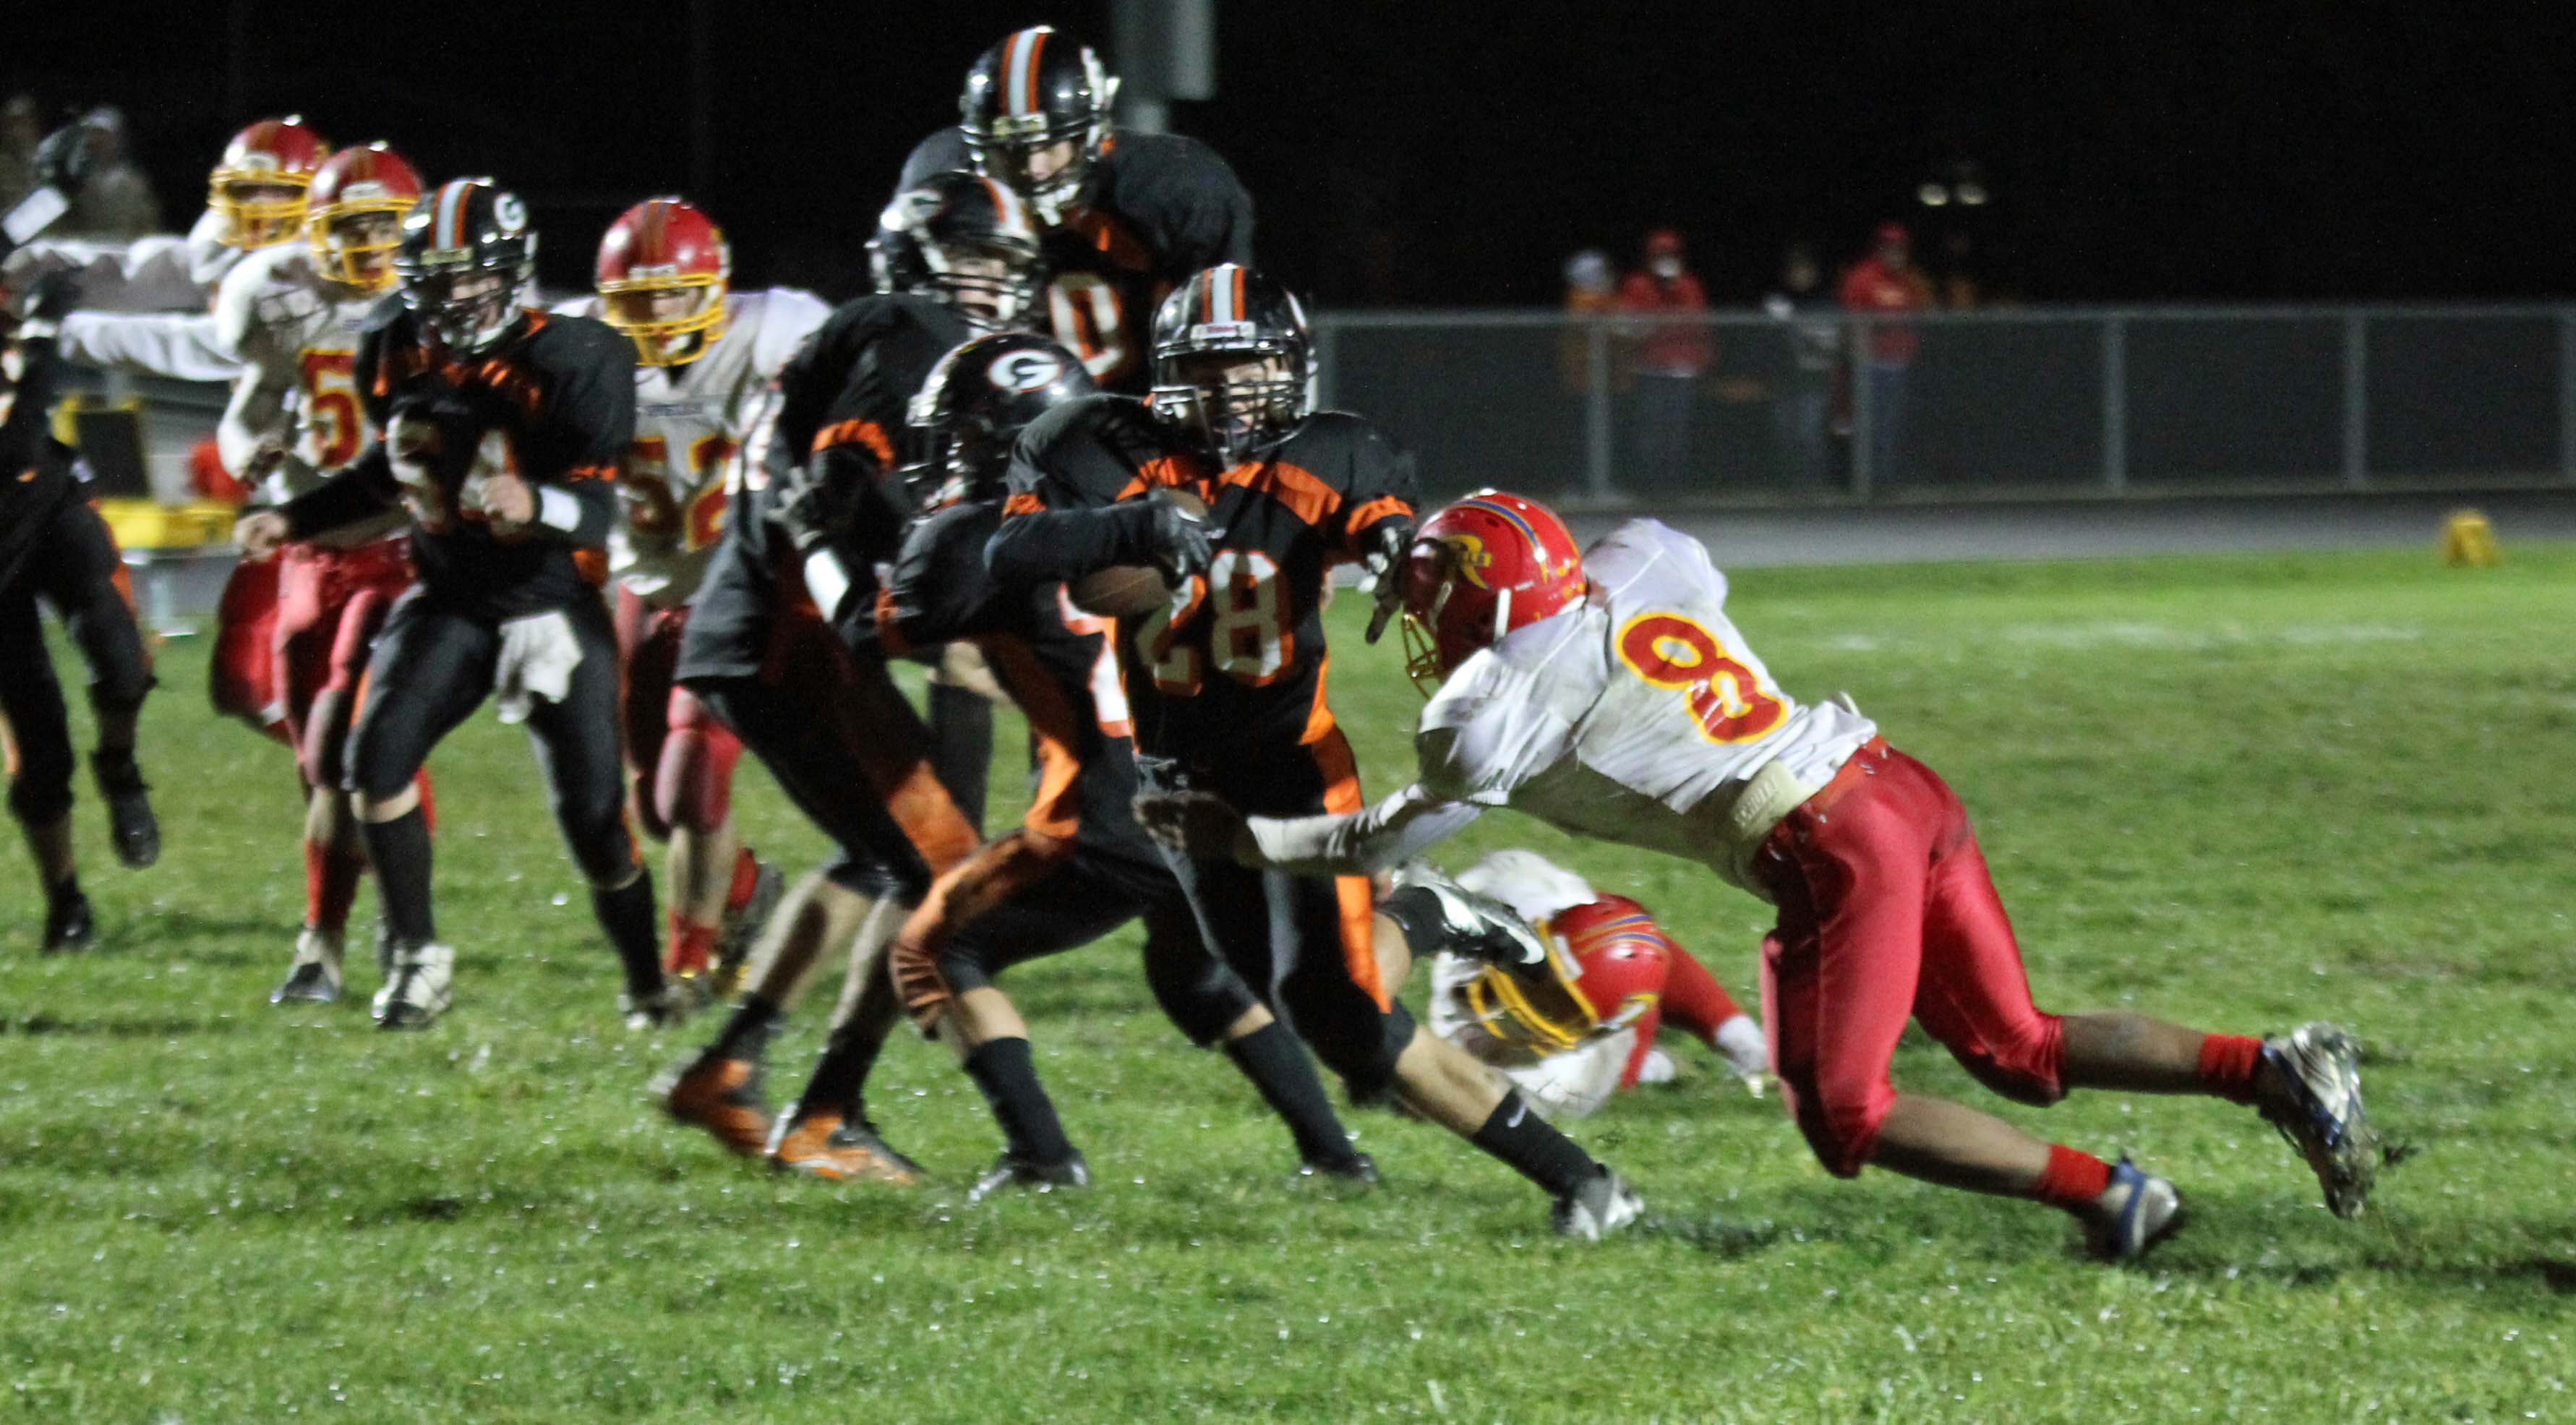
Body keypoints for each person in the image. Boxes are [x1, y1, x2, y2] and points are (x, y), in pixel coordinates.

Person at [1138, 490, 2385, 1260]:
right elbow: (1659, 565)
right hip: (1894, 782)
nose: (1423, 628)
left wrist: (1242, 839)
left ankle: (2112, 1199)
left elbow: (1377, 840)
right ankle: (2268, 1066)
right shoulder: (1639, 563)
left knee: (1844, 1115)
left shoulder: (1485, 708)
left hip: (1825, 847)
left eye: (1432, 607)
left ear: (1477, 614)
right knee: (2014, 1045)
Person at [986, 263, 1643, 1238]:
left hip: (1288, 765)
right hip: (1175, 771)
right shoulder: (1103, 447)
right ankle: (1422, 914)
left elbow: (1390, 528)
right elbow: (1007, 552)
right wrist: (1133, 526)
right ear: (1164, 373)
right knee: (1286, 997)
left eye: (1248, 367)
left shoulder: (1328, 453)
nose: (1228, 390)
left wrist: (1395, 554)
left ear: (1287, 369)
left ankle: (1585, 1182)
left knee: (1347, 1019)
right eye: (1205, 369)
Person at [784, 330, 1368, 1194]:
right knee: (1195, 973)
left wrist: (813, 543)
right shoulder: (1165, 497)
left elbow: (866, 627)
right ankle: (1336, 1156)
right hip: (1211, 785)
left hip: (1104, 811)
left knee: (932, 952)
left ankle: (1041, 1156)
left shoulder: (983, 535)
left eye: (962, 439)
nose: (949, 457)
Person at [652, 174, 1034, 1173]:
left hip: (785, 635)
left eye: (1002, 262)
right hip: (792, 639)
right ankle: (829, 1107)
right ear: (915, 259)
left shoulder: (888, 334)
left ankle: (743, 1070)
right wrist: (940, 603)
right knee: (943, 875)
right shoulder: (912, 331)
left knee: (895, 861)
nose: (991, 281)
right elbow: (845, 476)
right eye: (972, 257)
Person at [234, 179, 675, 1031]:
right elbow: (390, 471)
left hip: (550, 605)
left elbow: (601, 511)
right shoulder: (396, 343)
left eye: (468, 277)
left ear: (510, 273)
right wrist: (291, 519)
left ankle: (647, 982)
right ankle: (417, 959)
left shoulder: (575, 357)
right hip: (451, 597)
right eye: (434, 280)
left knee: (595, 823)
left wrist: (536, 503)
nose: (451, 297)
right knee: (373, 764)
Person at [568, 196, 829, 994]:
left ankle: (688, 967)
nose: (659, 315)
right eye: (640, 299)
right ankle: (746, 892)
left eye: (677, 293)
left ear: (714, 285)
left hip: (739, 586)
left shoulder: (774, 327)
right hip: (647, 585)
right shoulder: (580, 342)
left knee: (691, 777)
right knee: (654, 807)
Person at [213, 142, 439, 1004]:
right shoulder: (280, 296)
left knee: (358, 743)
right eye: (354, 226)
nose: (373, 244)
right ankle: (341, 933)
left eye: (387, 226)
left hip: (399, 553)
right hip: (309, 558)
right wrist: (251, 451)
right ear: (317, 229)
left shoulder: (435, 307)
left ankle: (355, 941)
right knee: (319, 763)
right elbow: (247, 410)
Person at [899, 25, 1252, 393]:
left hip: (1138, 409)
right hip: (993, 408)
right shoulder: (943, 180)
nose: (1032, 167)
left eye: (1051, 145)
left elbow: (1223, 332)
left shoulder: (1170, 190)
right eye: (1010, 149)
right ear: (979, 147)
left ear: (1091, 136)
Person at [0, 273, 159, 950]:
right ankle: (66, 900)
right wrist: (42, 347)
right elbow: (13, 441)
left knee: (122, 661)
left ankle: (119, 766)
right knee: (40, 742)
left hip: (50, 508)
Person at [1427, 848, 1767, 1119]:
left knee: (1624, 1037)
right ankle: (1737, 1035)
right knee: (1613, 938)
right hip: (1559, 931)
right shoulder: (1509, 889)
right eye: (1539, 977)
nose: (1526, 1001)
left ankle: (1655, 1062)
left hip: (1601, 1044)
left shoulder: (1564, 1082)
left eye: (1555, 1006)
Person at [1617, 229, 1712, 492]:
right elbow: (1632, 325)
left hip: (1682, 369)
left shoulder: (1689, 285)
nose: (1665, 260)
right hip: (1649, 368)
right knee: (1650, 428)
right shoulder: (1638, 285)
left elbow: (1696, 323)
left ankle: (1674, 486)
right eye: (1660, 255)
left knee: (1677, 430)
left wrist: (1674, 290)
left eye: (1670, 254)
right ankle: (1649, 485)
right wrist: (1662, 303)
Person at [1838, 222, 1930, 487]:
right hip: (1869, 365)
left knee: (1892, 424)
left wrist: (1910, 352)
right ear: (1879, 250)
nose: (1895, 254)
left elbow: (1919, 318)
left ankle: (1886, 481)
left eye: (1900, 249)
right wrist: (1860, 359)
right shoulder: (1862, 278)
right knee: (1868, 424)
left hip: (1899, 366)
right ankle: (1862, 483)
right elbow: (1852, 323)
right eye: (1889, 248)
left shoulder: (1910, 282)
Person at [1761, 242, 1842, 494]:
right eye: (1795, 271)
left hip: (1813, 382)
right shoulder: (1777, 301)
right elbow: (1765, 344)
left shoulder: (1825, 304)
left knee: (1810, 434)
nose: (1800, 275)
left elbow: (1828, 345)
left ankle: (1814, 485)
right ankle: (1789, 486)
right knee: (1785, 435)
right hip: (1784, 380)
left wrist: (1796, 326)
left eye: (1805, 270)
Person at [59, 108, 158, 241]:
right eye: (93, 135)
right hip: (89, 248)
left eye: (103, 136)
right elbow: (68, 222)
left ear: (117, 140)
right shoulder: (78, 180)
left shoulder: (134, 182)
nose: (97, 141)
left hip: (123, 247)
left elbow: (148, 222)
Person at [1556, 248, 1621, 400]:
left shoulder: (1606, 298)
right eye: (1602, 271)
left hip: (1604, 372)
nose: (1609, 275)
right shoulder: (1581, 299)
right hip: (1584, 374)